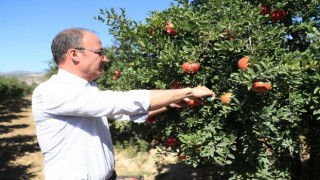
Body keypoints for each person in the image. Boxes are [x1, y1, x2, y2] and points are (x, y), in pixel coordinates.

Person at [32, 28, 215, 180]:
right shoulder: (52, 91)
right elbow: (120, 103)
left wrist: (170, 104)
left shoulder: (86, 92)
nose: (106, 59)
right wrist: (188, 90)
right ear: (74, 54)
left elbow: (124, 113)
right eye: (100, 53)